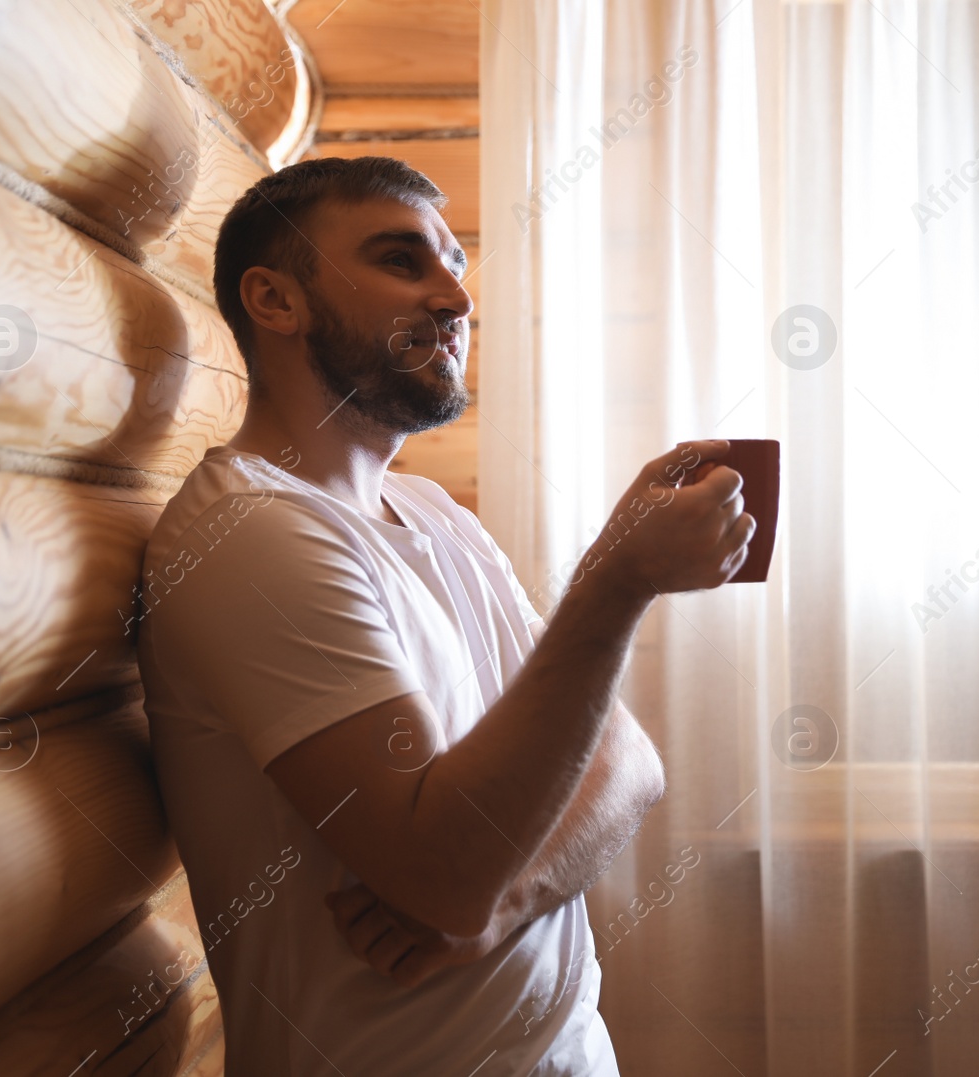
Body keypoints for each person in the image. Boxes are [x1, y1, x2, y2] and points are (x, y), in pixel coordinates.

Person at [136, 155, 755, 1075]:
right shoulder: (249, 534)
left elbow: (629, 760)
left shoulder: (434, 515)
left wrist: (510, 902)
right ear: (275, 301)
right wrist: (617, 581)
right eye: (401, 261)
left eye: (454, 265)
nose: (455, 298)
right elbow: (441, 879)